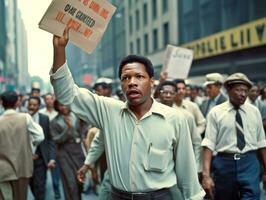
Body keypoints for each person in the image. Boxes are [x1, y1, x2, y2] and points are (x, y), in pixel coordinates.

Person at [50, 28, 205, 200]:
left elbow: (187, 172)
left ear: (152, 82)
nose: (132, 82)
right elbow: (67, 94)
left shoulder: (175, 118)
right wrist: (59, 50)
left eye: (139, 76)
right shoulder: (108, 111)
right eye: (126, 78)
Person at [201, 73, 266, 200]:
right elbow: (208, 143)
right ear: (228, 90)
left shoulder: (254, 111)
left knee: (252, 196)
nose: (242, 94)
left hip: (250, 162)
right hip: (225, 163)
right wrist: (206, 176)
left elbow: (261, 142)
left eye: (245, 91)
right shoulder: (216, 112)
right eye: (238, 90)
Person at [0, 91, 44, 200]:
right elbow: (40, 136)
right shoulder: (25, 118)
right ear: (17, 103)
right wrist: (30, 146)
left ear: (2, 103)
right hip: (22, 167)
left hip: (3, 169)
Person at [50, 100, 85, 200]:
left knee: (80, 181)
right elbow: (56, 139)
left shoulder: (78, 116)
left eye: (65, 104)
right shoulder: (54, 121)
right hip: (64, 152)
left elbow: (85, 127)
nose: (63, 107)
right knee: (70, 183)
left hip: (78, 150)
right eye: (60, 105)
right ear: (57, 107)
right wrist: (67, 129)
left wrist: (82, 137)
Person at [27, 96, 56, 200]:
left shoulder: (44, 119)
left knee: (40, 188)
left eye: (34, 105)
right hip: (26, 160)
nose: (31, 107)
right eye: (30, 104)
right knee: (31, 186)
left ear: (39, 106)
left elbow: (50, 139)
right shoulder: (22, 118)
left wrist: (51, 158)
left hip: (40, 160)